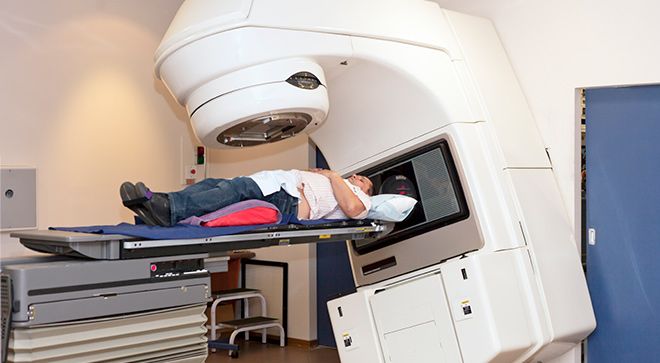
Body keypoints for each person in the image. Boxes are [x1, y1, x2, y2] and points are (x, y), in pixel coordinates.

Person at [120, 168, 374, 227]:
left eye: (362, 180)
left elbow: (352, 209)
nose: (355, 177)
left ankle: (167, 210)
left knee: (237, 188)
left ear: (366, 191)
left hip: (288, 200)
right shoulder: (340, 183)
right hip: (280, 186)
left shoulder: (361, 200)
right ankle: (158, 202)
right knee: (215, 184)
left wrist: (331, 175)